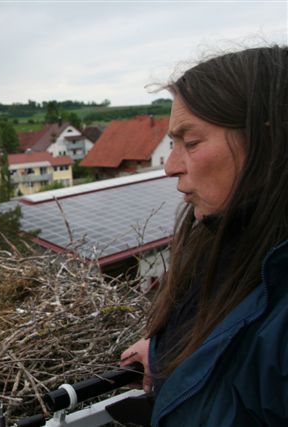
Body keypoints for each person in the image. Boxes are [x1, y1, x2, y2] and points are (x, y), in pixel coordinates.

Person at [120, 45, 288, 426]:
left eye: (191, 143)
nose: (170, 166)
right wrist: (172, 359)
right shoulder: (227, 247)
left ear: (270, 139)